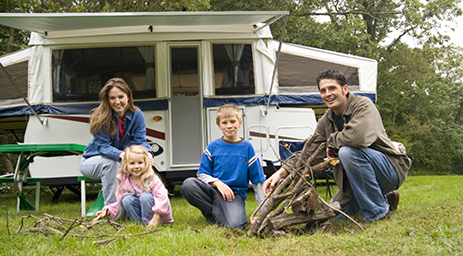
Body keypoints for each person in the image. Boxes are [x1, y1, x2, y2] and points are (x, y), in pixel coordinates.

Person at [263, 69, 412, 222]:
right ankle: (386, 197)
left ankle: (378, 213)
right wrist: (280, 173)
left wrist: (331, 142)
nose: (328, 94)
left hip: (389, 171)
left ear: (345, 89)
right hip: (355, 184)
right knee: (327, 218)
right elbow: (309, 153)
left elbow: (357, 137)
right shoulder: (325, 121)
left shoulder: (363, 105)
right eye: (323, 90)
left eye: (332, 88)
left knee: (347, 152)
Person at [181, 104, 266, 229]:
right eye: (225, 122)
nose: (229, 125)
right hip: (214, 190)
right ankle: (212, 214)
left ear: (240, 123)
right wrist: (217, 183)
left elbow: (258, 181)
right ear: (219, 126)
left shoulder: (247, 148)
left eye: (233, 121)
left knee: (236, 226)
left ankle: (218, 216)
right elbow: (202, 174)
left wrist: (263, 214)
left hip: (233, 195)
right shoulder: (212, 147)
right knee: (188, 185)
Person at [80, 78, 153, 206]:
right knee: (111, 163)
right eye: (112, 98)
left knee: (144, 159)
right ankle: (111, 209)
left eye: (121, 97)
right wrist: (123, 155)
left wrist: (147, 154)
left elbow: (139, 142)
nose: (117, 101)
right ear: (107, 99)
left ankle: (144, 205)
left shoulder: (137, 115)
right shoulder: (100, 116)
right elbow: (103, 147)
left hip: (120, 160)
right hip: (91, 161)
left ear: (128, 97)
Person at [94, 145, 173, 227]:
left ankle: (150, 223)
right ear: (126, 164)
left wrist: (155, 219)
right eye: (132, 163)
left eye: (140, 163)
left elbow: (162, 198)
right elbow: (119, 203)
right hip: (138, 211)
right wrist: (107, 211)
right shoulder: (125, 181)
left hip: (155, 216)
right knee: (126, 199)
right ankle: (138, 223)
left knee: (145, 196)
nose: (136, 166)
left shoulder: (151, 179)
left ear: (146, 163)